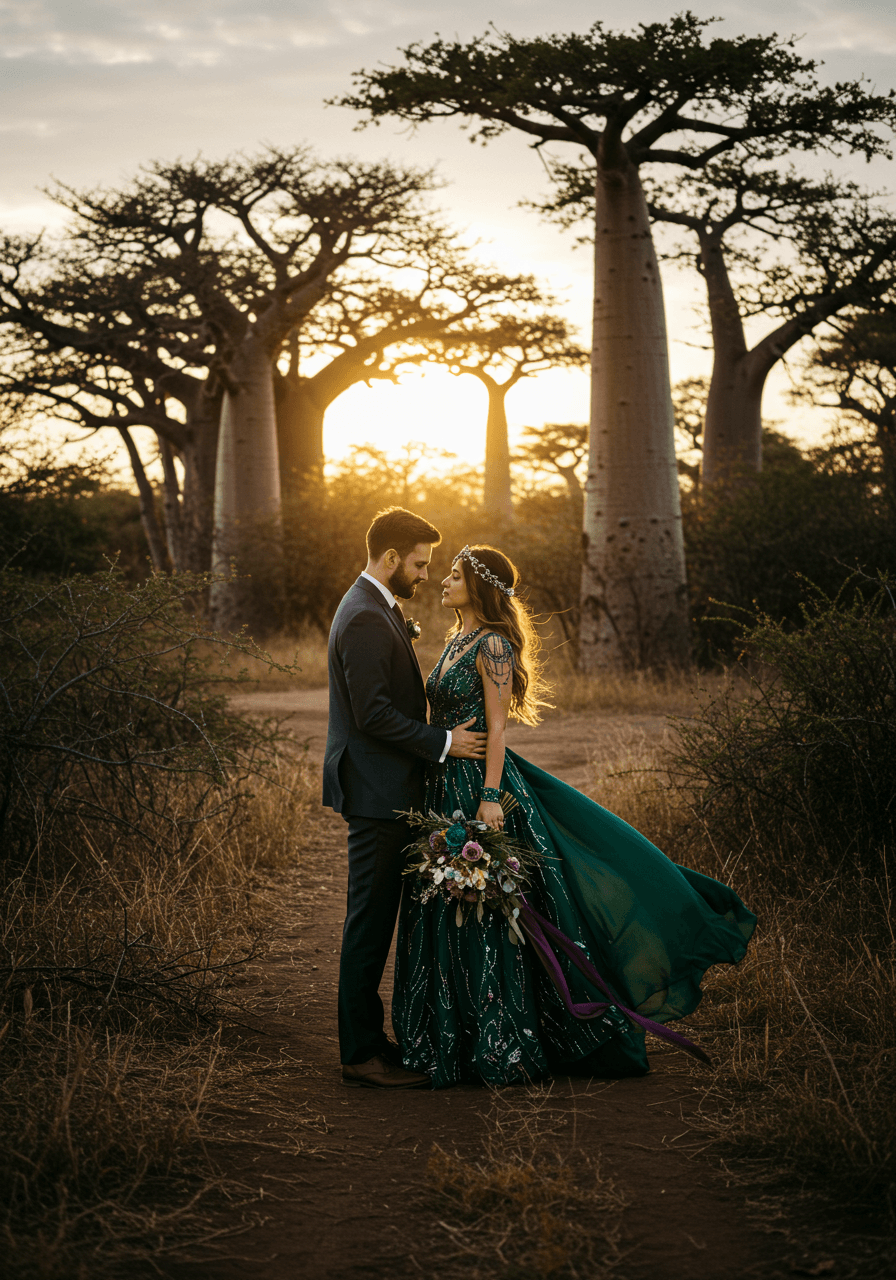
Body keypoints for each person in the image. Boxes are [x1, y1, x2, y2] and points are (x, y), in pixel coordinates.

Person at [392, 544, 757, 1088]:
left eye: (454, 575)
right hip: (443, 786)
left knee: (489, 911)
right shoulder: (455, 638)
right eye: (444, 574)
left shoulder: (492, 643)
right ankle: (448, 1036)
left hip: (477, 789)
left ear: (481, 587)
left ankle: (500, 1039)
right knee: (445, 905)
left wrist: (490, 796)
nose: (443, 582)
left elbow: (498, 727)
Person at [324, 508, 488, 1089]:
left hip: (385, 786)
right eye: (418, 563)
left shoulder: (374, 607)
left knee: (374, 919)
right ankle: (361, 1053)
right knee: (368, 922)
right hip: (375, 791)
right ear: (390, 557)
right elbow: (372, 714)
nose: (423, 574)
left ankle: (373, 1042)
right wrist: (445, 741)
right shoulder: (366, 616)